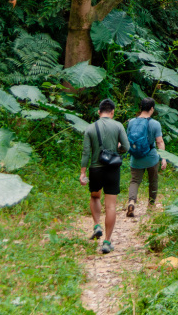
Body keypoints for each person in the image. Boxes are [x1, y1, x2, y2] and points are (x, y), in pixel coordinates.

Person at [80, 98, 128, 254]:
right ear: (112, 112)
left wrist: (82, 173)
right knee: (111, 206)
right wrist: (117, 149)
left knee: (95, 197)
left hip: (95, 169)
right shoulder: (118, 126)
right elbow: (126, 147)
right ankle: (107, 242)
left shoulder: (90, 128)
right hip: (112, 169)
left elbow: (86, 152)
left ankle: (96, 226)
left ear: (99, 112)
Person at [125, 97, 167, 216]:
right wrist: (163, 158)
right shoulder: (155, 124)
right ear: (152, 108)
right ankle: (151, 206)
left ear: (141, 107)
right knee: (153, 181)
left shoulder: (131, 122)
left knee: (134, 181)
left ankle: (131, 202)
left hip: (136, 158)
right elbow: (159, 142)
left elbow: (128, 140)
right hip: (151, 158)